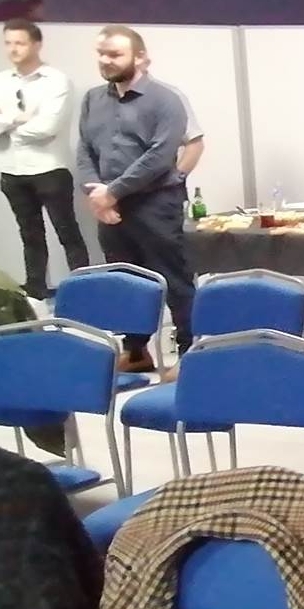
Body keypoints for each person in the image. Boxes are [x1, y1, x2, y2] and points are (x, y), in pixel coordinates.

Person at [75, 25, 194, 369]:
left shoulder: (165, 99)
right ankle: (137, 351)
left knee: (173, 279)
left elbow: (159, 156)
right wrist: (95, 192)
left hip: (155, 203)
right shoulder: (93, 99)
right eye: (101, 54)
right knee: (126, 280)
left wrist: (111, 192)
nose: (105, 60)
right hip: (110, 205)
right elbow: (84, 150)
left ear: (140, 57)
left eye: (115, 54)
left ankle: (190, 352)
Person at [0, 19, 87, 300]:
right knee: (29, 233)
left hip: (49, 169)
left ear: (36, 45)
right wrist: (17, 118)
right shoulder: (0, 80)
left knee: (67, 232)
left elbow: (46, 127)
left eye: (20, 43)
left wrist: (3, 121)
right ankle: (36, 290)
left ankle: (84, 290)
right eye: (8, 43)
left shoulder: (56, 80)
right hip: (10, 168)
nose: (13, 49)